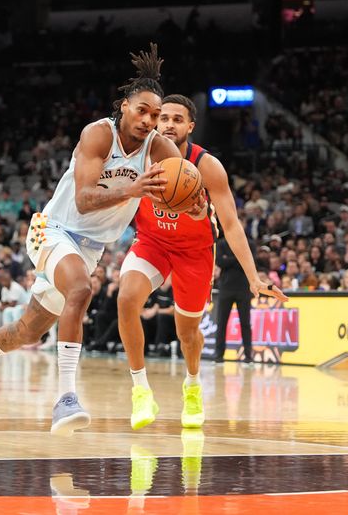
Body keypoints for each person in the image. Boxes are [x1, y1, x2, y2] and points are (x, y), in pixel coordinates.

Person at [0, 44, 179, 437]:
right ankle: (66, 397)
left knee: (28, 331)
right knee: (81, 290)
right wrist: (134, 189)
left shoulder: (160, 149)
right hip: (52, 229)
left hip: (90, 248)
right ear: (124, 107)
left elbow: (185, 186)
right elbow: (83, 199)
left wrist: (196, 198)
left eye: (156, 114)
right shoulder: (99, 134)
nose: (149, 120)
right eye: (142, 110)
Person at [115, 94, 287, 431]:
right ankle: (141, 392)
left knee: (188, 332)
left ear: (190, 126)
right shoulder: (138, 155)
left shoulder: (206, 166)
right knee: (125, 299)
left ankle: (192, 386)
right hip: (152, 243)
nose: (168, 124)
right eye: (163, 118)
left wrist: (253, 277)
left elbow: (232, 225)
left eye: (177, 119)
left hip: (194, 252)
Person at [214, 237, 255, 364]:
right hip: (226, 288)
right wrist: (239, 258)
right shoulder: (221, 244)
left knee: (245, 323)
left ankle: (248, 356)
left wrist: (229, 258)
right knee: (221, 323)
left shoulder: (249, 243)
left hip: (244, 288)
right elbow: (220, 262)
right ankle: (219, 356)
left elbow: (250, 261)